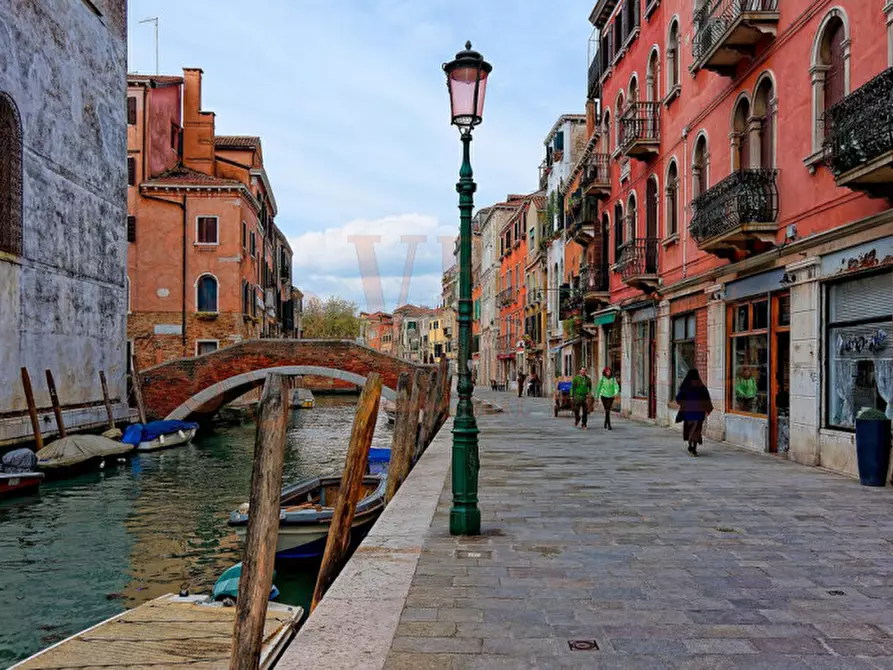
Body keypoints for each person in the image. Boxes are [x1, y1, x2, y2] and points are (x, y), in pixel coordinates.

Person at [675, 368, 713, 456]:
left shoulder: (685, 386)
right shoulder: (701, 387)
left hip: (688, 411)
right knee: (697, 429)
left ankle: (690, 444)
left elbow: (678, 399)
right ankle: (693, 446)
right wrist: (707, 409)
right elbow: (706, 399)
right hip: (699, 412)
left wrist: (684, 404)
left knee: (690, 428)